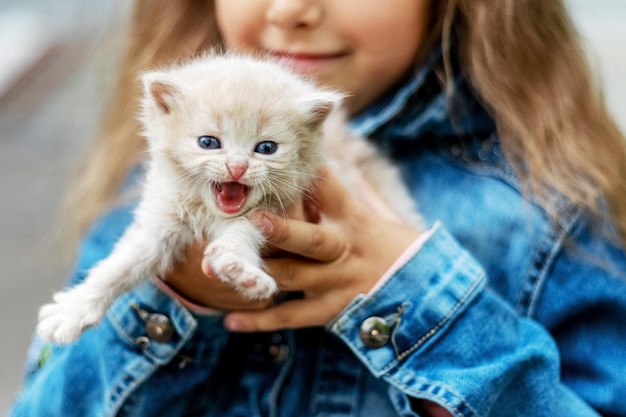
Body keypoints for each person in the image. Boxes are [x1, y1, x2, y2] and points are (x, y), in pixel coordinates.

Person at [10, 0, 626, 416]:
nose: (290, 11)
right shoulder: (162, 177)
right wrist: (168, 294)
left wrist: (417, 294)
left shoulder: (546, 210)